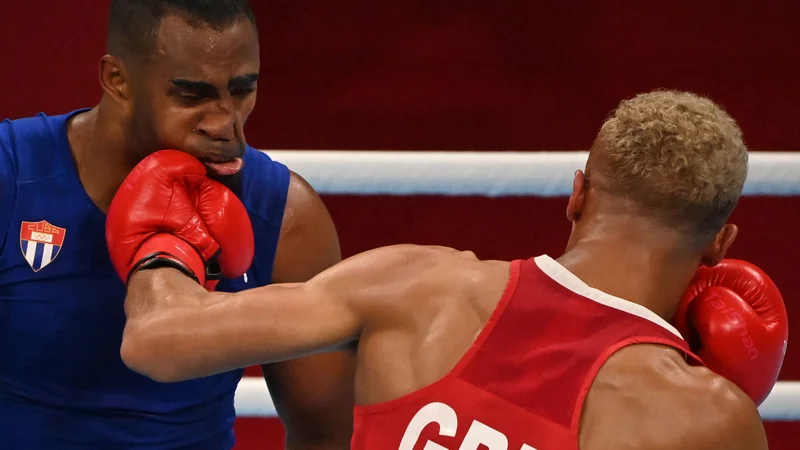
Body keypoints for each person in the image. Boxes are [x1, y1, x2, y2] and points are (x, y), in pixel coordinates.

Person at [109, 89, 788, 449]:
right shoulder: (701, 419)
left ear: (578, 193)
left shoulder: (416, 285)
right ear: (718, 246)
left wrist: (164, 243)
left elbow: (157, 340)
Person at [0, 0, 355, 448]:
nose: (226, 124)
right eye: (193, 95)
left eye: (242, 89)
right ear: (118, 81)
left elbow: (325, 435)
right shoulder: (12, 178)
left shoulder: (285, 217)